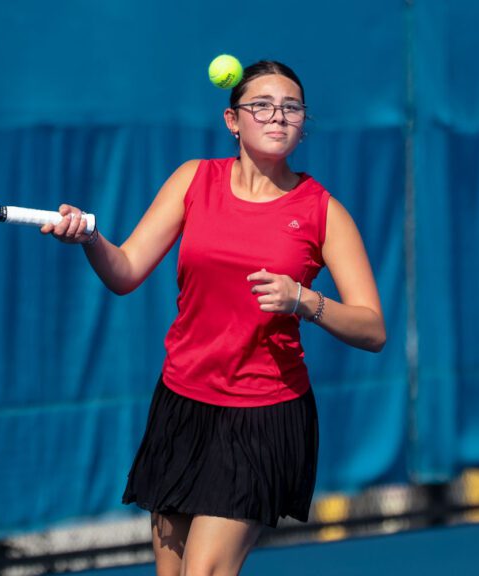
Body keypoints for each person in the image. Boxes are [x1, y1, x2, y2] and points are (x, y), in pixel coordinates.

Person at [41, 60, 386, 576]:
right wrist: (90, 237)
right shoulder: (193, 180)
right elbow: (126, 270)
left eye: (291, 108)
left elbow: (372, 328)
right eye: (262, 106)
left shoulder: (323, 212)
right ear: (233, 121)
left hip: (263, 416)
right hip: (182, 405)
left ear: (303, 123)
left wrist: (302, 299)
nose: (277, 117)